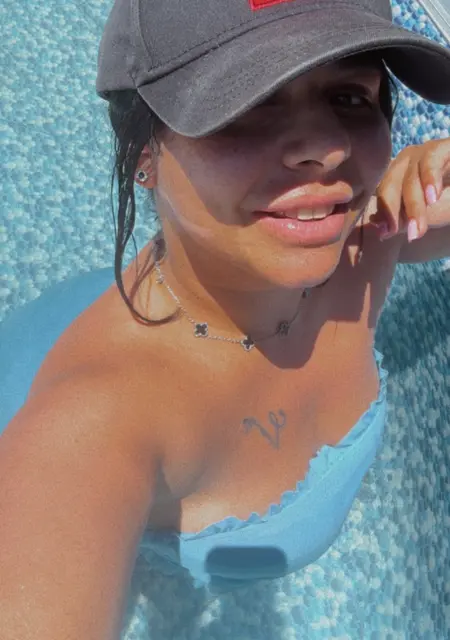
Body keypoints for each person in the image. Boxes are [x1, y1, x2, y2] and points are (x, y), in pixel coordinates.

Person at [1, 0, 450, 638]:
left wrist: (434, 169)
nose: (327, 149)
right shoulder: (92, 426)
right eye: (248, 102)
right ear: (143, 153)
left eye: (349, 97)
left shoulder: (362, 245)